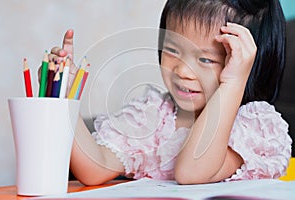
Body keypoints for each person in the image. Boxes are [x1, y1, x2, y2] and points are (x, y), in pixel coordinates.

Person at [46, 0, 292, 185]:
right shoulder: (153, 115)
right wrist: (64, 98)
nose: (183, 70)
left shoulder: (255, 128)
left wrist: (232, 84)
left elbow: (191, 172)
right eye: (172, 50)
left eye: (206, 59)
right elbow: (94, 168)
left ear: (246, 64)